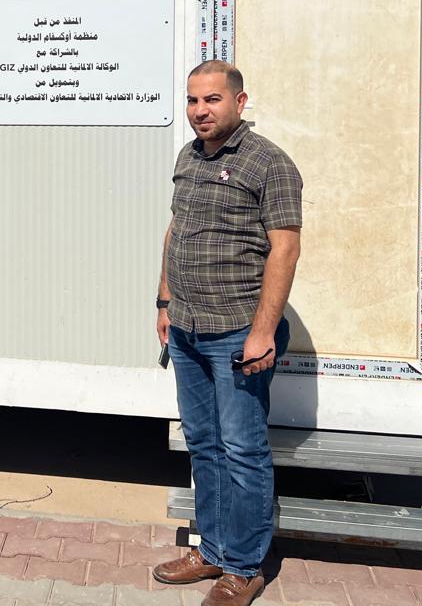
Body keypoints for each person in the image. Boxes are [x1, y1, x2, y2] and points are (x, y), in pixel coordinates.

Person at [152, 60, 303, 606]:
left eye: (212, 99)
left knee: (242, 449)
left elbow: (285, 248)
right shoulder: (188, 157)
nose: (200, 111)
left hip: (238, 332)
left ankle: (243, 566)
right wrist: (165, 299)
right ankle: (212, 550)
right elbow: (177, 229)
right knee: (204, 443)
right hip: (187, 328)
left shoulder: (269, 163)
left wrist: (262, 332)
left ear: (240, 102)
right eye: (193, 100)